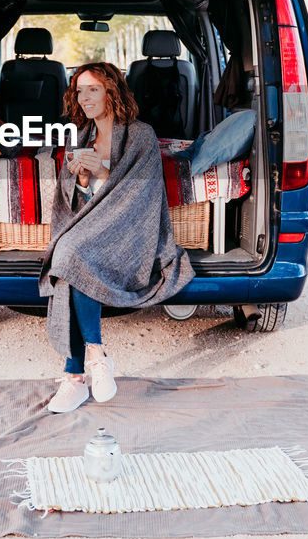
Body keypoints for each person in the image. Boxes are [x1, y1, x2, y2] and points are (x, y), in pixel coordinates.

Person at [38, 61, 196, 413]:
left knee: (69, 255)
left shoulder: (140, 134)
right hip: (90, 225)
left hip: (128, 230)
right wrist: (79, 179)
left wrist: (103, 170)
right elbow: (72, 201)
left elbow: (142, 194)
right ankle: (92, 360)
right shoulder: (79, 136)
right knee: (70, 255)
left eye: (93, 89)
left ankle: (74, 376)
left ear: (112, 91)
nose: (84, 97)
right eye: (79, 90)